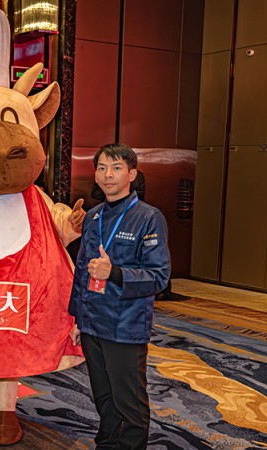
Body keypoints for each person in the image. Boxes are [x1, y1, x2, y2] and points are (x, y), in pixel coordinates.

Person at [69, 143, 170, 450]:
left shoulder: (149, 218)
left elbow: (159, 277)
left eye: (115, 168)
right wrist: (76, 319)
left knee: (129, 399)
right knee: (102, 394)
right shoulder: (93, 216)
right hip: (92, 322)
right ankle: (108, 442)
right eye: (101, 168)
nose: (107, 174)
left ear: (132, 174)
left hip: (124, 325)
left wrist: (114, 273)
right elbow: (81, 273)